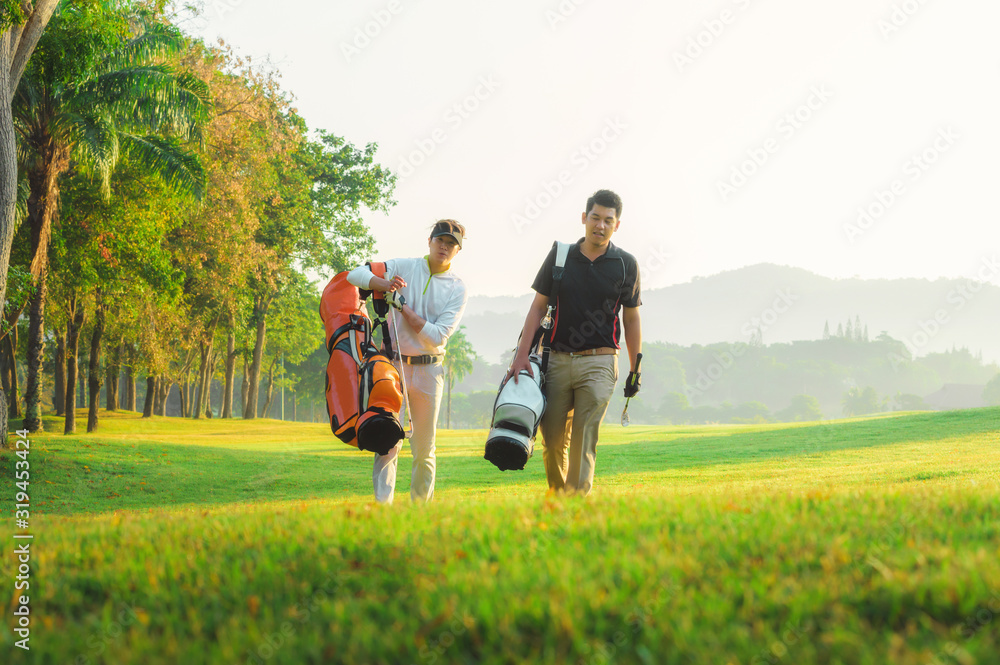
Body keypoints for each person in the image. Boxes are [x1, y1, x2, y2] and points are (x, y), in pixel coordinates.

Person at [506, 190, 642, 496]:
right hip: (557, 360)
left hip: (601, 361)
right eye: (595, 218)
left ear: (617, 225)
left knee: (584, 439)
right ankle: (560, 498)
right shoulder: (560, 255)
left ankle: (575, 503)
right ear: (584, 218)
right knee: (552, 439)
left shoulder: (625, 264)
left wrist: (636, 368)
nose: (601, 225)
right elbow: (538, 307)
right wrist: (521, 356)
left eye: (608, 220)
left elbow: (631, 319)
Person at [346, 220, 468, 503]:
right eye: (440, 240)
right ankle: (382, 507)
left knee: (424, 449)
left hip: (429, 369)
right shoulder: (404, 266)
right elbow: (355, 275)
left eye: (451, 244)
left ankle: (419, 510)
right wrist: (384, 283)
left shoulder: (457, 288)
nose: (444, 247)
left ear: (458, 250)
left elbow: (437, 337)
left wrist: (401, 306)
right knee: (387, 441)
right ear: (429, 240)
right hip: (394, 368)